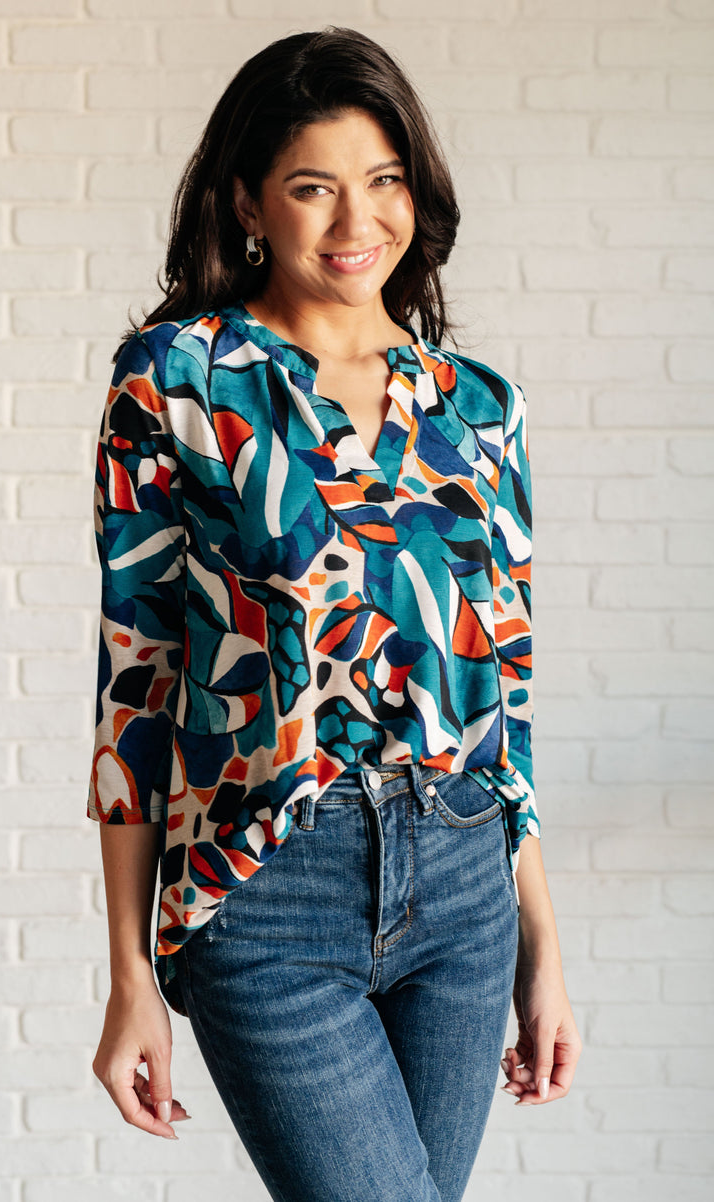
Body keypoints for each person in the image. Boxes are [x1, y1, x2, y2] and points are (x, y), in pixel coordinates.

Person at [88, 26, 581, 1202]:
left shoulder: (478, 406)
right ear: (251, 201)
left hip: (463, 887)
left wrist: (542, 950)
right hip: (265, 890)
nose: (356, 218)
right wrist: (127, 977)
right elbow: (138, 680)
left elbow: (498, 694)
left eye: (384, 179)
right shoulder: (176, 378)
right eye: (313, 186)